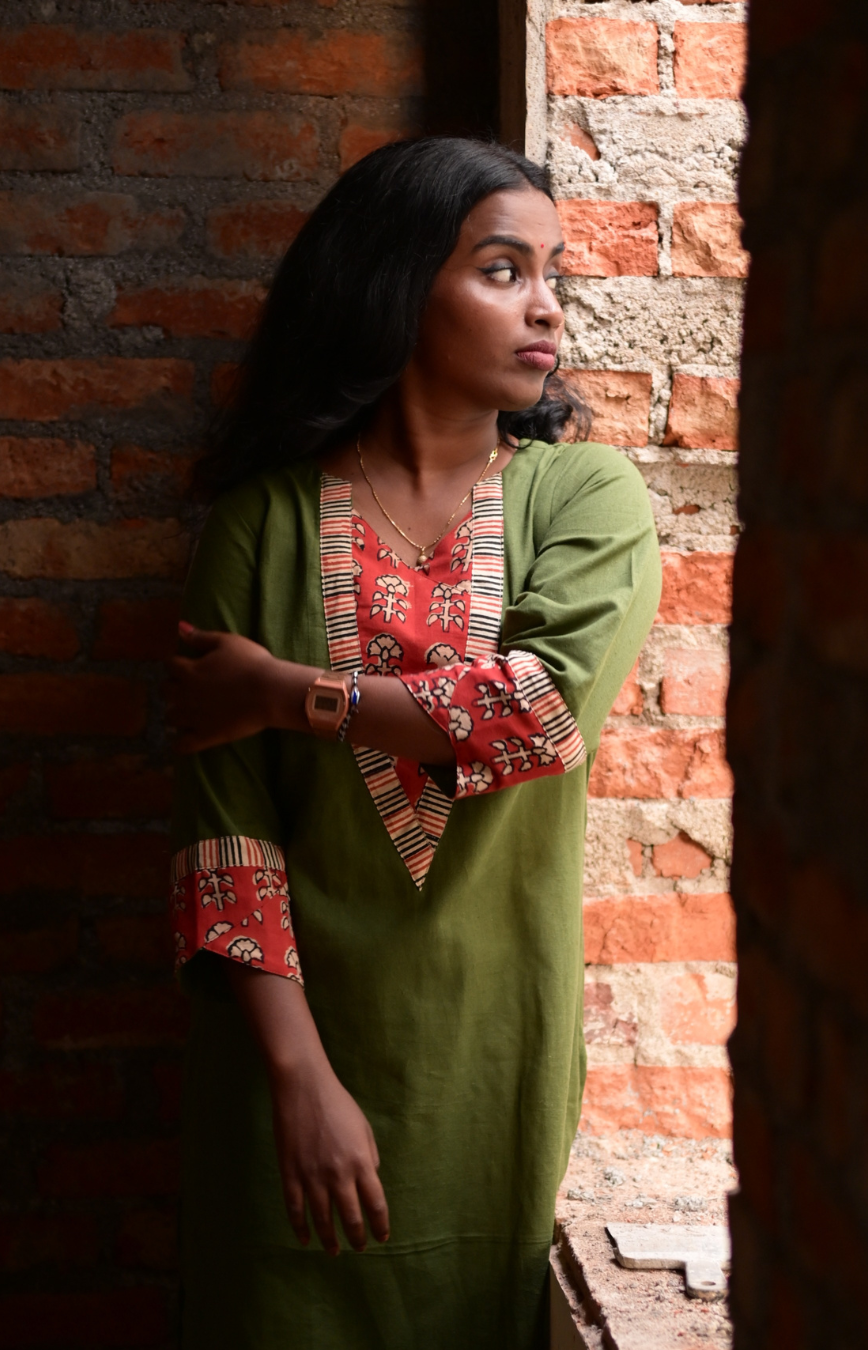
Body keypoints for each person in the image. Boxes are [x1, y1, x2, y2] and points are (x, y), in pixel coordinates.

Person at [167, 137, 661, 1350]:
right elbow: (227, 840)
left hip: (489, 1067)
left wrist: (289, 693)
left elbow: (536, 716)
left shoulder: (583, 498)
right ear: (394, 284)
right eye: (502, 269)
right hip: (287, 1075)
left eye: (554, 274)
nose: (546, 306)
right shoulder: (262, 524)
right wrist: (299, 1082)